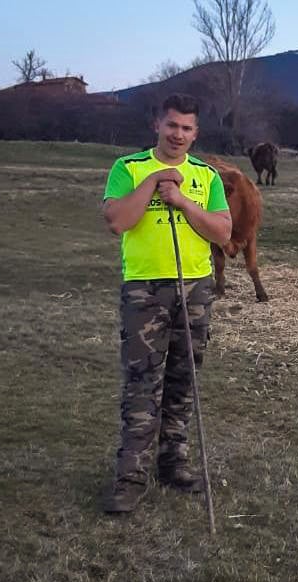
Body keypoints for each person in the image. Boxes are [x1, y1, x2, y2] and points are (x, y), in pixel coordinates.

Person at [101, 93, 232, 513]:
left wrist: (181, 201)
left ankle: (173, 463)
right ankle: (130, 477)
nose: (178, 134)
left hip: (194, 290)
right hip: (145, 289)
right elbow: (118, 221)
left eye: (187, 128)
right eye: (172, 125)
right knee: (142, 382)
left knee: (182, 381)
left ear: (196, 133)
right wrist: (153, 186)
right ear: (157, 123)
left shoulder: (206, 176)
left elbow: (222, 233)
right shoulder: (129, 168)